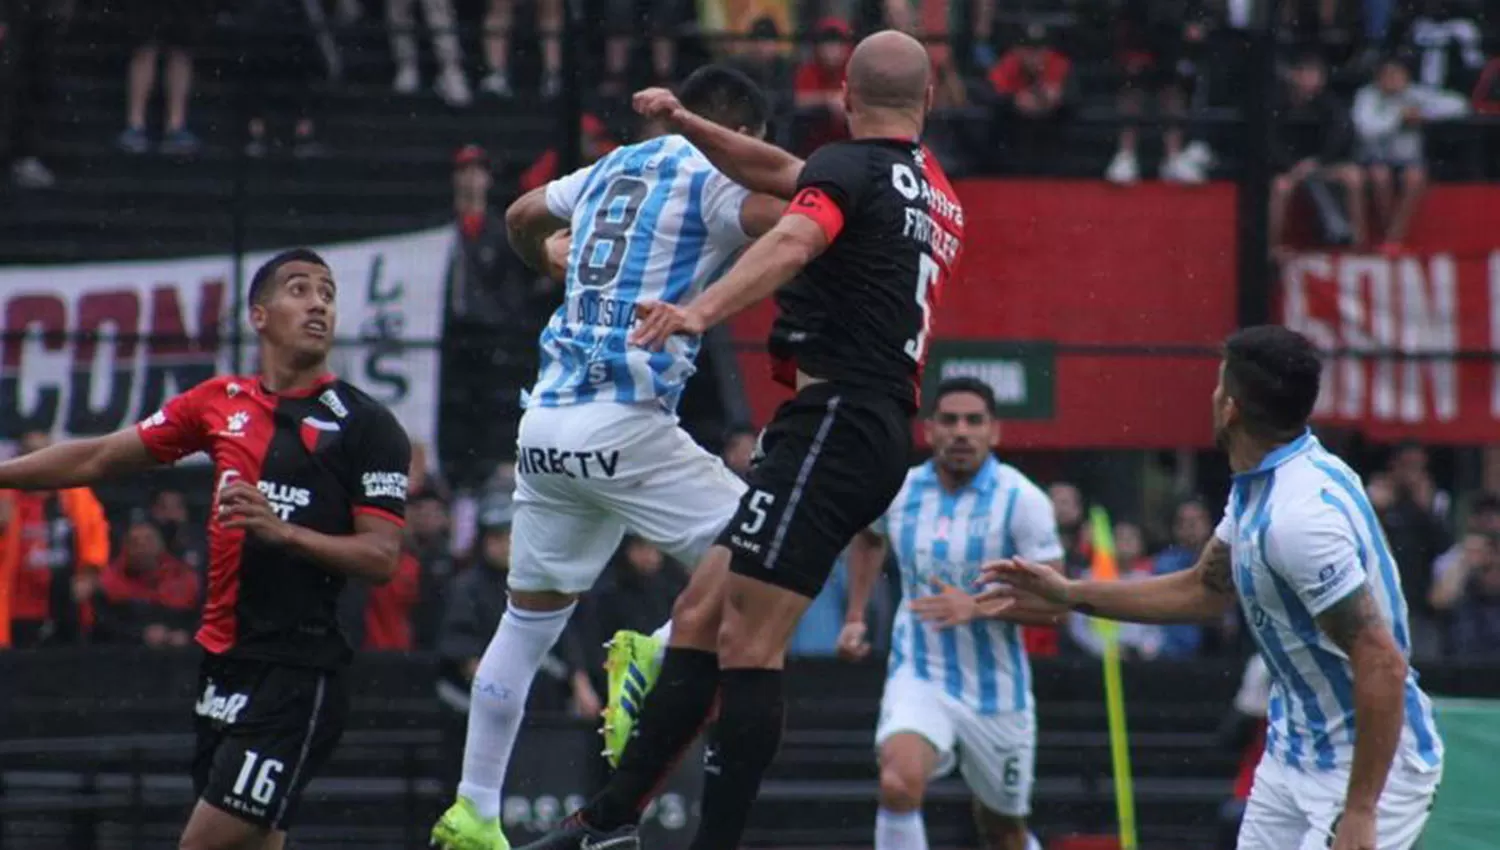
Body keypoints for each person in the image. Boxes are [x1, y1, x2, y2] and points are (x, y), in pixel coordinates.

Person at [522, 28, 965, 850]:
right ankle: (608, 821)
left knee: (746, 642)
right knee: (696, 614)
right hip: (861, 426)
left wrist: (701, 308)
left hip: (835, 422)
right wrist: (690, 123)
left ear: (844, 95)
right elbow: (779, 176)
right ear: (928, 102)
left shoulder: (844, 171)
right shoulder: (930, 186)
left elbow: (797, 232)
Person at [429, 64, 788, 850]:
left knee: (525, 627)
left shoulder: (612, 167)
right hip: (627, 424)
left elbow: (522, 212)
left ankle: (473, 809)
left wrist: (546, 256)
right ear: (741, 134)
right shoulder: (716, 176)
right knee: (777, 557)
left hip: (546, 426)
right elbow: (801, 209)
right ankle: (653, 658)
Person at [0, 249, 412, 850]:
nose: (318, 302)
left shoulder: (368, 425)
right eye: (299, 290)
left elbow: (382, 557)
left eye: (327, 292)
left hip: (296, 675)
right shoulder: (219, 403)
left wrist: (282, 532)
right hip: (223, 666)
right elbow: (98, 456)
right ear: (259, 316)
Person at [983, 325, 1444, 850]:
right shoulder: (1262, 482)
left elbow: (1382, 661)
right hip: (1294, 753)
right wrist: (1070, 593)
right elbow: (1204, 590)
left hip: (1369, 769)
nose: (1210, 394)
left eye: (1217, 384)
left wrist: (1361, 811)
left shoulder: (1297, 520)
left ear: (1231, 409)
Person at [838, 377, 1059, 850]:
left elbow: (1056, 602)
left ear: (994, 432)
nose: (962, 431)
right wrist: (856, 614)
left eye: (974, 421)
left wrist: (976, 606)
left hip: (997, 692)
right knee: (898, 783)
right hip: (920, 673)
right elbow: (869, 538)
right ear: (930, 429)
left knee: (1003, 830)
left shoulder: (1023, 500)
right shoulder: (897, 488)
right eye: (950, 420)